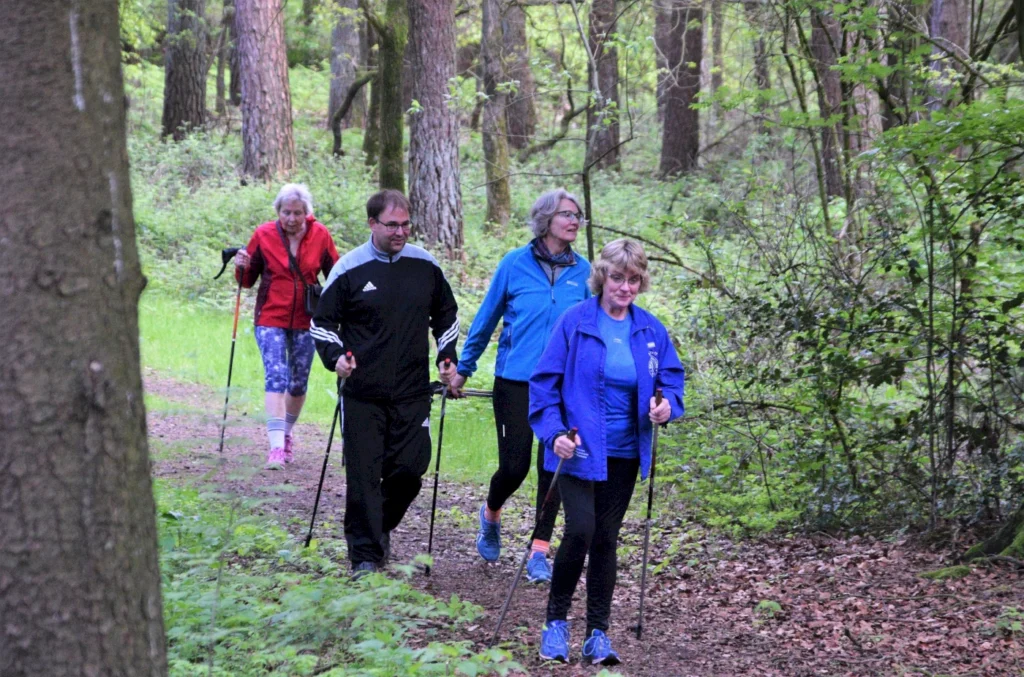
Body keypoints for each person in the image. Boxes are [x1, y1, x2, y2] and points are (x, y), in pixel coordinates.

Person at [528, 239, 685, 665]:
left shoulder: (650, 330)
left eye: (634, 279)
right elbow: (543, 384)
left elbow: (671, 381)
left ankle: (597, 633)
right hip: (577, 448)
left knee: (606, 539)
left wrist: (666, 404)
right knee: (579, 529)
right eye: (618, 277)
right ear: (603, 277)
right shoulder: (575, 322)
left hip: (626, 451)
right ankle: (555, 624)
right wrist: (553, 432)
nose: (626, 287)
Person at [311, 189, 460, 577]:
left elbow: (446, 315)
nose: (400, 231)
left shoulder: (424, 266)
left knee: (410, 470)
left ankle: (378, 528)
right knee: (363, 474)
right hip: (362, 392)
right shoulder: (349, 269)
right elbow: (321, 323)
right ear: (372, 223)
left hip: (412, 391)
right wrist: (337, 357)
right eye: (392, 224)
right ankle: (364, 555)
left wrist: (447, 357)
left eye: (406, 224)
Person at [449, 188, 591, 583]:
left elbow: (590, 328)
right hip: (516, 380)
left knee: (554, 469)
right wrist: (464, 368)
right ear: (546, 218)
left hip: (563, 387)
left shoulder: (584, 271)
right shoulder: (514, 264)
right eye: (567, 214)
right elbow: (486, 318)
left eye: (578, 215)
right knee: (514, 467)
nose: (575, 220)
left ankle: (538, 552)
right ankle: (491, 514)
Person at [235, 183, 340, 469]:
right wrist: (241, 264)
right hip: (270, 317)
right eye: (286, 212)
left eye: (297, 213)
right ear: (277, 212)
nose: (291, 218)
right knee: (276, 376)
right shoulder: (264, 234)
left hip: (307, 318)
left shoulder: (320, 235)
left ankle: (287, 432)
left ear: (307, 213)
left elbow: (335, 275)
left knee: (298, 382)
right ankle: (276, 447)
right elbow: (246, 281)